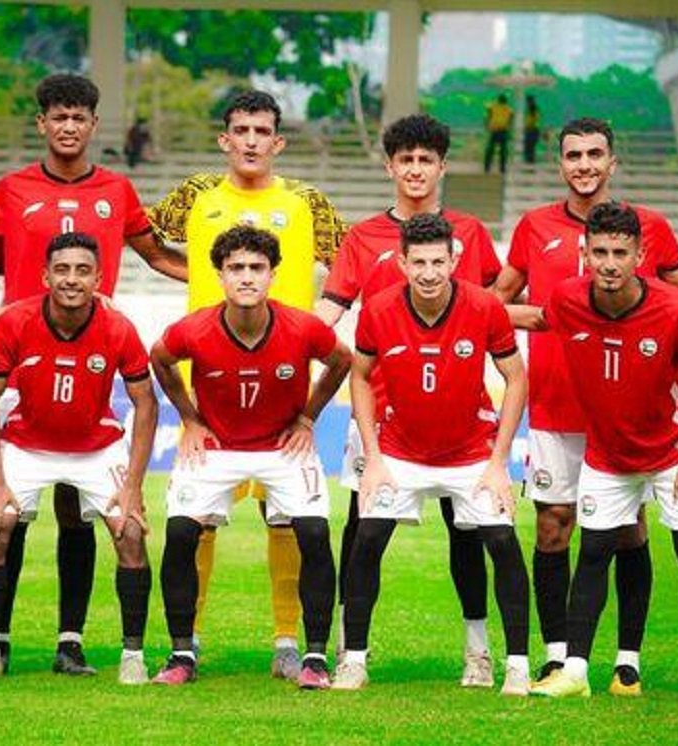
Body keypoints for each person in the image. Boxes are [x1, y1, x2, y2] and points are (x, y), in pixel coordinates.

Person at [0, 73, 186, 677]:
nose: (68, 127)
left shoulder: (117, 188)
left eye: (78, 117)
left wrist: (226, 277)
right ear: (42, 123)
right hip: (20, 361)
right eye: (58, 117)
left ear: (93, 125)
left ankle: (71, 640)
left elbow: (157, 255)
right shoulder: (12, 189)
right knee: (6, 515)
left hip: (88, 354)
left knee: (76, 512)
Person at [492, 117, 678, 694]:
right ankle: (559, 658)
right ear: (560, 163)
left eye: (595, 154)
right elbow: (500, 301)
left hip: (634, 413)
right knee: (553, 528)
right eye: (574, 155)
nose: (584, 165)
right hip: (557, 403)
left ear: (612, 162)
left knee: (629, 531)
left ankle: (626, 660)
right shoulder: (534, 226)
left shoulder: (650, 227)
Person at [150, 89, 346, 680]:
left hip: (283, 375)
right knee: (198, 521)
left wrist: (321, 316)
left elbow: (350, 262)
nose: (252, 141)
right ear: (225, 139)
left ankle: (288, 641)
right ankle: (188, 641)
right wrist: (199, 276)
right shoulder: (196, 195)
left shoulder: (307, 202)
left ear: (278, 141)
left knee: (285, 519)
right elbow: (142, 239)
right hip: (207, 380)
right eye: (242, 130)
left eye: (263, 131)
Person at [314, 113, 502, 686]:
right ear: (389, 167)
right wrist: (282, 345)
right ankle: (349, 645)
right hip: (380, 415)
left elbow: (491, 310)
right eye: (406, 160)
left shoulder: (470, 233)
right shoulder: (364, 237)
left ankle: (478, 650)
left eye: (426, 160)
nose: (415, 170)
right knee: (362, 531)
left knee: (466, 534)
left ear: (442, 167)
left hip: (458, 414)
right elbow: (330, 311)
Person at [526, 202, 678, 706]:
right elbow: (531, 317)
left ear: (640, 255)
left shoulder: (675, 309)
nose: (609, 264)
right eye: (600, 253)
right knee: (592, 555)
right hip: (607, 457)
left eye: (620, 253)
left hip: (673, 454)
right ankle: (575, 671)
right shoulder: (567, 299)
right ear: (584, 253)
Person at [333, 213, 531, 695]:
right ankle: (353, 660)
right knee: (367, 540)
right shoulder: (379, 310)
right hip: (400, 451)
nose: (428, 273)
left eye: (437, 262)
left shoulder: (484, 306)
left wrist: (498, 462)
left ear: (453, 261)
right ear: (402, 262)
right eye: (418, 262)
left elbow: (516, 378)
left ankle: (505, 663)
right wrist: (374, 457)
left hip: (471, 453)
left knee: (501, 543)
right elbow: (360, 376)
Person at [0, 232, 158, 686]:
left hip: (96, 446)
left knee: (130, 532)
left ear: (98, 279)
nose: (72, 279)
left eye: (82, 270)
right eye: (63, 269)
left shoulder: (118, 328)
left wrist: (132, 486)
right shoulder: (16, 321)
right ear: (45, 275)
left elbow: (146, 403)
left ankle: (133, 655)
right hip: (27, 443)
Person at [483, 93, 514, 174]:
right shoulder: (508, 109)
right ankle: (501, 168)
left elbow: (488, 114)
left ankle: (487, 167)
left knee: (491, 150)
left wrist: (487, 125)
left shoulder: (493, 106)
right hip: (502, 131)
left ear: (498, 100)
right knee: (502, 151)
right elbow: (511, 119)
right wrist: (509, 129)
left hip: (495, 130)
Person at [522, 95, 540, 165]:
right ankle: (530, 162)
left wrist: (527, 126)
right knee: (530, 147)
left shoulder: (532, 109)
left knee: (529, 146)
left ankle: (529, 162)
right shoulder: (533, 109)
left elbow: (533, 120)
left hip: (532, 130)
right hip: (533, 129)